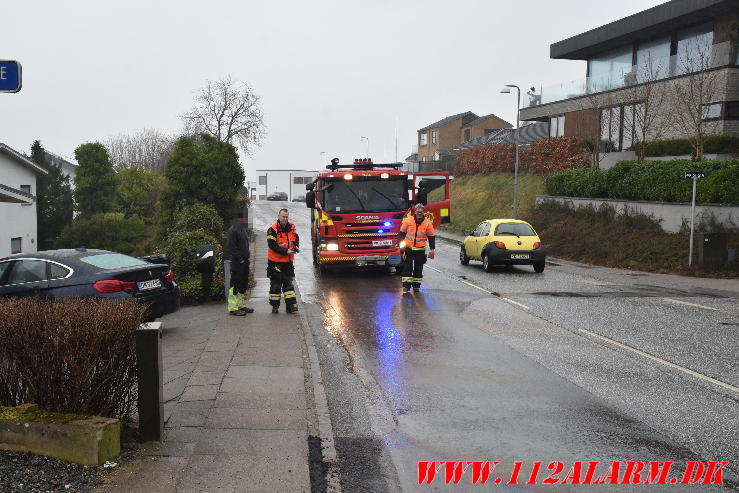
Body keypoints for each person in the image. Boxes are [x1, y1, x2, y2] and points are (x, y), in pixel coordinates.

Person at [267, 208, 300, 314]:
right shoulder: (272, 229)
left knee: (288, 284)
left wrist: (296, 247)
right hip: (275, 261)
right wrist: (286, 251)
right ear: (279, 216)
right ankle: (275, 306)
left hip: (288, 261)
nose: (285, 219)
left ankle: (290, 306)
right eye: (283, 216)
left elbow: (296, 238)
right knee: (276, 285)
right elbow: (272, 245)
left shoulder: (291, 227)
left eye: (286, 217)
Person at [398, 203, 436, 293]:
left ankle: (416, 286)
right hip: (409, 249)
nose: (419, 213)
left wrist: (432, 249)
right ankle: (406, 287)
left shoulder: (427, 223)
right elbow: (401, 233)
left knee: (418, 268)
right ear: (415, 211)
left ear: (423, 212)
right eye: (418, 211)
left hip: (420, 250)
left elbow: (431, 236)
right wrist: (400, 244)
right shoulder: (408, 220)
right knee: (407, 267)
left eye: (421, 212)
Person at [226, 211, 254, 316]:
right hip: (237, 262)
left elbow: (244, 245)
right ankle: (233, 308)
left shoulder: (242, 229)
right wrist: (240, 259)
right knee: (236, 284)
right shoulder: (233, 230)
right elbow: (232, 247)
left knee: (243, 284)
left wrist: (247, 257)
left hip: (244, 261)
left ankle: (241, 305)